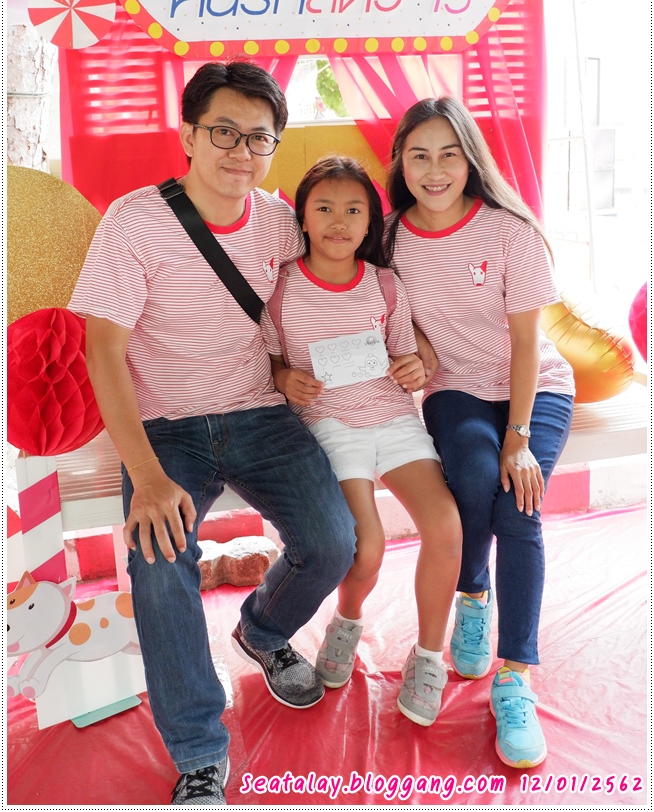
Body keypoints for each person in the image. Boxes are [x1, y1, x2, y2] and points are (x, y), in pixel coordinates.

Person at [68, 63, 356, 805]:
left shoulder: (281, 222)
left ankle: (261, 630)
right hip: (166, 428)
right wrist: (148, 477)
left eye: (259, 138)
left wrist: (302, 366)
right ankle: (199, 750)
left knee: (334, 542)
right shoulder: (133, 222)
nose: (241, 151)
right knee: (159, 559)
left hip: (260, 412)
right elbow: (102, 350)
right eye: (224, 132)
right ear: (189, 135)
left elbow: (314, 300)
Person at [384, 97, 575, 768]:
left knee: (519, 504)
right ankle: (473, 593)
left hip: (535, 387)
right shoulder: (390, 238)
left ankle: (514, 678)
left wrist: (518, 438)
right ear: (400, 163)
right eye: (419, 156)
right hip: (457, 388)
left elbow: (526, 344)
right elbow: (402, 319)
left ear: (470, 160)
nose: (435, 170)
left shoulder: (510, 231)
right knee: (468, 478)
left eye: (449, 154)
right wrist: (419, 354)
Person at [263, 154, 462, 727]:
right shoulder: (280, 287)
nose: (339, 221)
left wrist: (414, 369)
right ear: (302, 217)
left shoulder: (385, 283)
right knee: (365, 545)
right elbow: (267, 359)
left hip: (394, 418)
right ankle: (346, 621)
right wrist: (284, 378)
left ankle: (429, 658)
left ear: (371, 221)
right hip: (329, 424)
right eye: (324, 208)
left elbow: (407, 356)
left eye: (354, 210)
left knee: (446, 528)